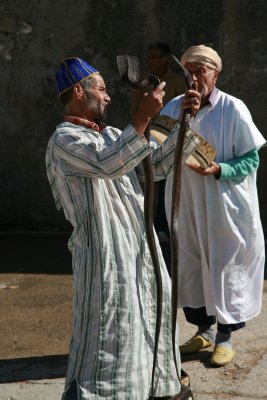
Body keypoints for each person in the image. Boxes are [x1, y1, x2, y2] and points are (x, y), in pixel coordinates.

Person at [46, 57, 182, 399]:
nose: (108, 98)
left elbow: (158, 167)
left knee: (144, 335)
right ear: (79, 91)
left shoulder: (110, 134)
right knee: (104, 346)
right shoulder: (64, 141)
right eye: (102, 89)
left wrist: (184, 122)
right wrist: (141, 118)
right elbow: (108, 164)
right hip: (105, 259)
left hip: (139, 253)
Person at [162, 45, 266, 367]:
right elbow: (160, 150)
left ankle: (225, 337)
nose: (193, 78)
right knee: (191, 263)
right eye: (188, 71)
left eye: (200, 71)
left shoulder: (233, 109)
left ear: (215, 74)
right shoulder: (174, 107)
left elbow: (251, 158)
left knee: (225, 265)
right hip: (187, 202)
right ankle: (204, 331)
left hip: (224, 203)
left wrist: (220, 169)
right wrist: (183, 117)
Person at [131, 42, 185, 271]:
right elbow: (136, 110)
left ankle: (163, 225)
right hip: (144, 139)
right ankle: (149, 225)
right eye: (149, 56)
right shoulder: (143, 82)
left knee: (165, 183)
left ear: (165, 59)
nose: (151, 61)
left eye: (155, 57)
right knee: (144, 184)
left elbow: (179, 112)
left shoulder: (177, 83)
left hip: (165, 140)